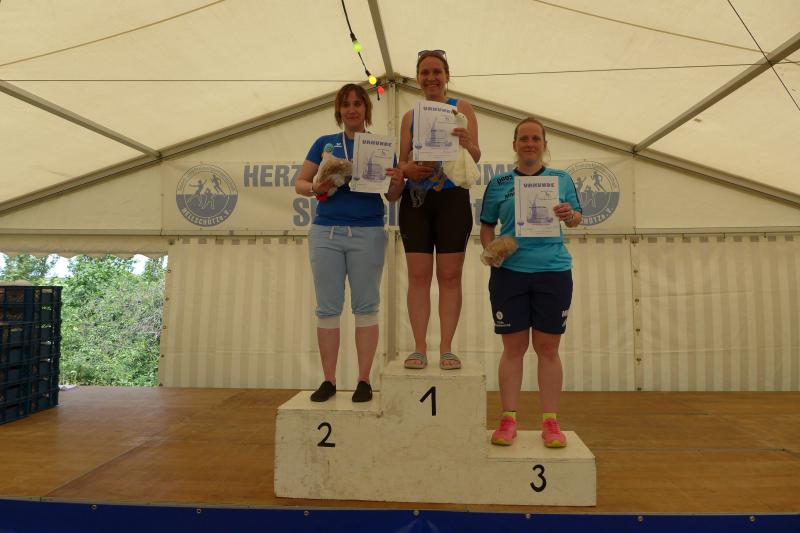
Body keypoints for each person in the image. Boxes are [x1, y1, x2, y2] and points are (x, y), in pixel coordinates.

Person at [295, 83, 405, 402]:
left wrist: (398, 182)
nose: (352, 109)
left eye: (358, 103)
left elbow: (391, 196)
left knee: (366, 307)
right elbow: (300, 183)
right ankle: (329, 380)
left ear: (367, 109)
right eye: (346, 104)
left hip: (368, 232)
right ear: (339, 110)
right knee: (327, 308)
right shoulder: (324, 143)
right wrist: (316, 187)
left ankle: (363, 380)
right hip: (326, 233)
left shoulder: (381, 146)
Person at [479, 117, 582, 447]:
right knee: (513, 349)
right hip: (510, 274)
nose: (530, 144)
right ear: (514, 144)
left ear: (544, 145)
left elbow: (577, 219)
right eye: (523, 138)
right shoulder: (499, 182)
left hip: (553, 271)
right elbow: (486, 226)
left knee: (548, 349)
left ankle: (550, 422)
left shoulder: (560, 179)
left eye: (536, 138)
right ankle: (508, 419)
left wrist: (569, 215)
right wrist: (491, 251)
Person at [398, 49, 480, 371]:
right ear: (418, 78)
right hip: (417, 201)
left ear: (447, 76)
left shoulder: (462, 108)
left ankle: (446, 348)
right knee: (418, 277)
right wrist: (407, 169)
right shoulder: (409, 117)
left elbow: (475, 155)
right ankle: (419, 347)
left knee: (449, 276)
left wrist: (466, 142)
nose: (431, 77)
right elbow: (402, 163)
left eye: (437, 72)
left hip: (452, 199)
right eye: (425, 72)